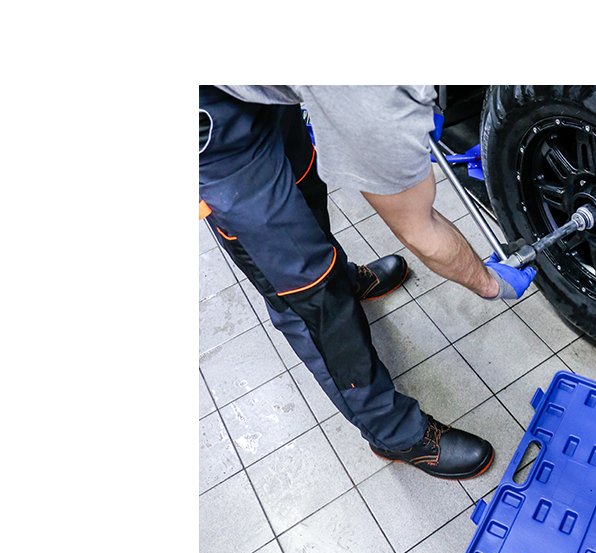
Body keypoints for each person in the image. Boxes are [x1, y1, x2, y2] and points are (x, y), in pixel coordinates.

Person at [198, 85, 536, 480]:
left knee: (302, 181)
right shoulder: (368, 92)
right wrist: (489, 282)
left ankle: (339, 278)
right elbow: (418, 228)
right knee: (309, 297)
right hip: (214, 137)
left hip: (254, 93)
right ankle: (394, 433)